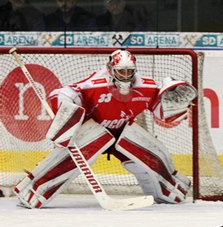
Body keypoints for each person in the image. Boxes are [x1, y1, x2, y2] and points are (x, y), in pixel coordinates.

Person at [14, 49, 196, 209]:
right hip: (92, 131)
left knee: (152, 154)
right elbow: (62, 93)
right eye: (121, 72)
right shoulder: (95, 84)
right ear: (111, 70)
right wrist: (65, 105)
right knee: (71, 158)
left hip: (122, 134)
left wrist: (175, 106)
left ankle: (170, 188)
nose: (125, 76)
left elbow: (162, 113)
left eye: (129, 72)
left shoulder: (146, 87)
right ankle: (34, 189)